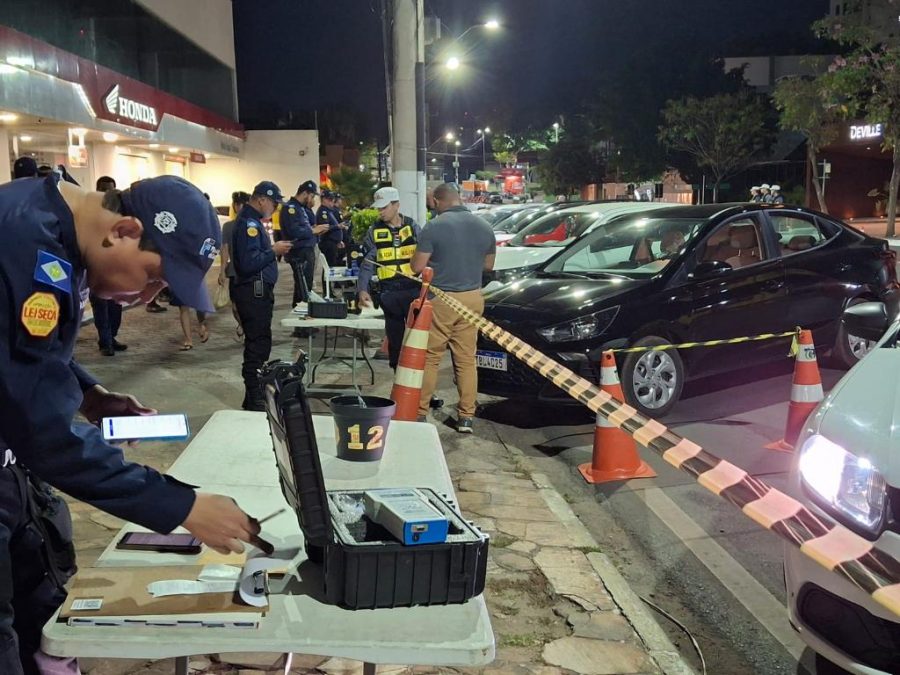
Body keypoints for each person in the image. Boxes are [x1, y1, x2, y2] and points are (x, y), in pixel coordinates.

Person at [0, 173, 265, 675]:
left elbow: (25, 355)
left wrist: (90, 395)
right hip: (15, 453)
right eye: (153, 277)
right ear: (123, 230)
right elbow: (44, 434)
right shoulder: (20, 243)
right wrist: (181, 505)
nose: (147, 297)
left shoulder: (54, 230)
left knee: (41, 612)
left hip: (12, 468)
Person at [411, 184, 496, 432]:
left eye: (431, 203)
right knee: (466, 359)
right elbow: (489, 265)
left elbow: (417, 267)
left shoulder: (434, 226)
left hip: (442, 298)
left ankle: (420, 413)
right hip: (473, 298)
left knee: (430, 358)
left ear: (438, 201)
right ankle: (466, 416)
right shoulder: (484, 226)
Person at [231, 181, 293, 410]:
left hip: (257, 291)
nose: (275, 209)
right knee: (257, 345)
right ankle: (255, 397)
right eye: (274, 204)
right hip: (253, 292)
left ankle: (253, 397)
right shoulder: (249, 224)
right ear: (261, 200)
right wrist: (273, 251)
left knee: (260, 342)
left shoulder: (253, 221)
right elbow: (248, 263)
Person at [358, 187, 422, 371]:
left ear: (396, 205)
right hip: (389, 294)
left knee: (417, 340)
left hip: (414, 291)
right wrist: (362, 289)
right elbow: (367, 263)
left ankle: (419, 380)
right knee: (395, 341)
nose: (380, 212)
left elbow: (426, 255)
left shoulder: (413, 227)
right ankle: (398, 375)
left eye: (384, 207)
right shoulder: (374, 231)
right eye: (378, 208)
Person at [88, 177, 128, 356]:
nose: (107, 193)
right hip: (97, 268)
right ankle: (105, 342)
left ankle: (111, 337)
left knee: (115, 306)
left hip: (116, 268)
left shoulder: (118, 212)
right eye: (104, 189)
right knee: (101, 306)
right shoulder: (89, 212)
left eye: (110, 189)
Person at [281, 182, 327, 308]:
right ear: (305, 193)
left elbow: (303, 227)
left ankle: (302, 311)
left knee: (305, 286)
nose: (312, 200)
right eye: (312, 196)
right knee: (303, 286)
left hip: (306, 250)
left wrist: (315, 229)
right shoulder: (290, 208)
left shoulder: (300, 208)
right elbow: (293, 231)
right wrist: (313, 230)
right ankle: (301, 313)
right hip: (299, 252)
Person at [219, 191, 251, 341]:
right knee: (235, 306)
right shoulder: (228, 227)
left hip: (250, 273)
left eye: (242, 204)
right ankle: (244, 326)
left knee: (248, 305)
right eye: (237, 204)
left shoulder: (253, 225)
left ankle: (249, 331)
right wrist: (222, 271)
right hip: (234, 272)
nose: (239, 207)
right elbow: (224, 249)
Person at [317, 189, 344, 267]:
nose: (332, 202)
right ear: (324, 199)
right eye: (330, 199)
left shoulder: (329, 211)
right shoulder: (323, 211)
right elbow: (324, 227)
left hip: (333, 243)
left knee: (333, 264)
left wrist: (338, 240)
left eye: (333, 199)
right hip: (328, 243)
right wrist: (337, 226)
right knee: (330, 266)